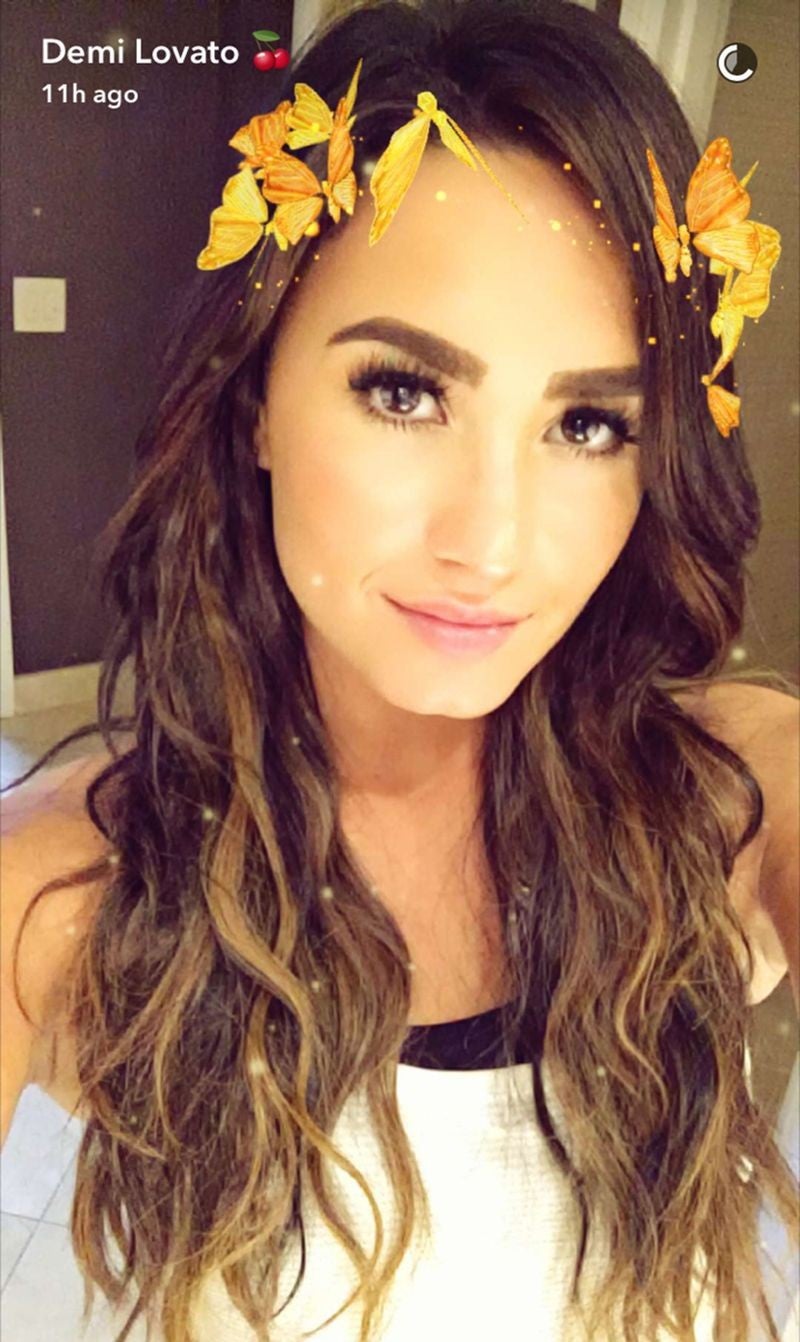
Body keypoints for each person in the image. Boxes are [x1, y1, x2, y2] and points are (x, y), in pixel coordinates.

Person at [1, 1, 798, 1339]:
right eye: (405, 392)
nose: (492, 543)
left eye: (588, 423)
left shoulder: (722, 807)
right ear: (257, 401)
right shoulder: (68, 893)